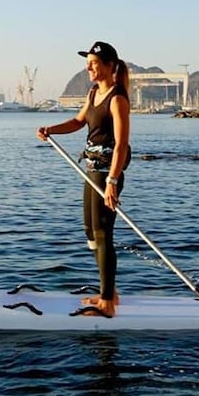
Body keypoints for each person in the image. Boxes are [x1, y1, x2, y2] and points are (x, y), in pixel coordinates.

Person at [37, 41, 131, 318]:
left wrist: (113, 181)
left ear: (109, 66)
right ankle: (109, 291)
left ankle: (108, 303)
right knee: (91, 234)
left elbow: (122, 144)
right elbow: (79, 122)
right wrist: (50, 129)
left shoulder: (117, 99)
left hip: (107, 174)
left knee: (104, 235)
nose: (89, 67)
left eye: (93, 63)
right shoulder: (93, 94)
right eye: (87, 63)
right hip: (91, 170)